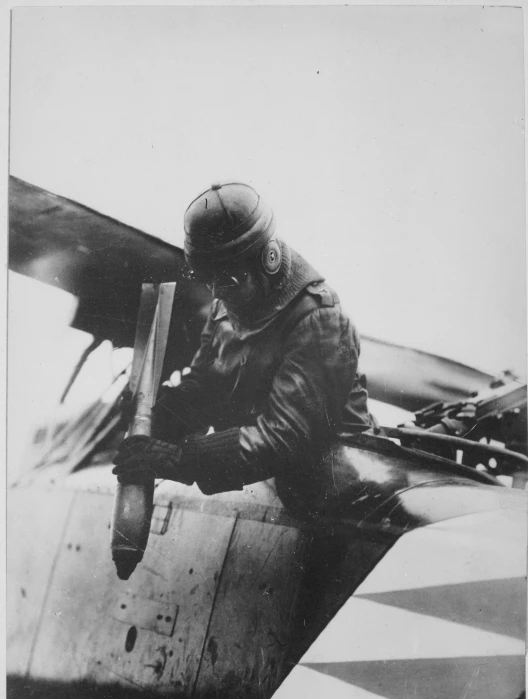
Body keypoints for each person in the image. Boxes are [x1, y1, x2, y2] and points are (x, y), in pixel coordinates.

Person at [113, 182, 374, 497]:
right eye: (207, 280)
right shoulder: (229, 298)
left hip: (338, 491)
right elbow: (204, 385)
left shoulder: (319, 321)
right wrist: (160, 413)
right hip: (276, 480)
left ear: (269, 260)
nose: (216, 293)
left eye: (227, 281)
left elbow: (288, 437)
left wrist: (182, 459)